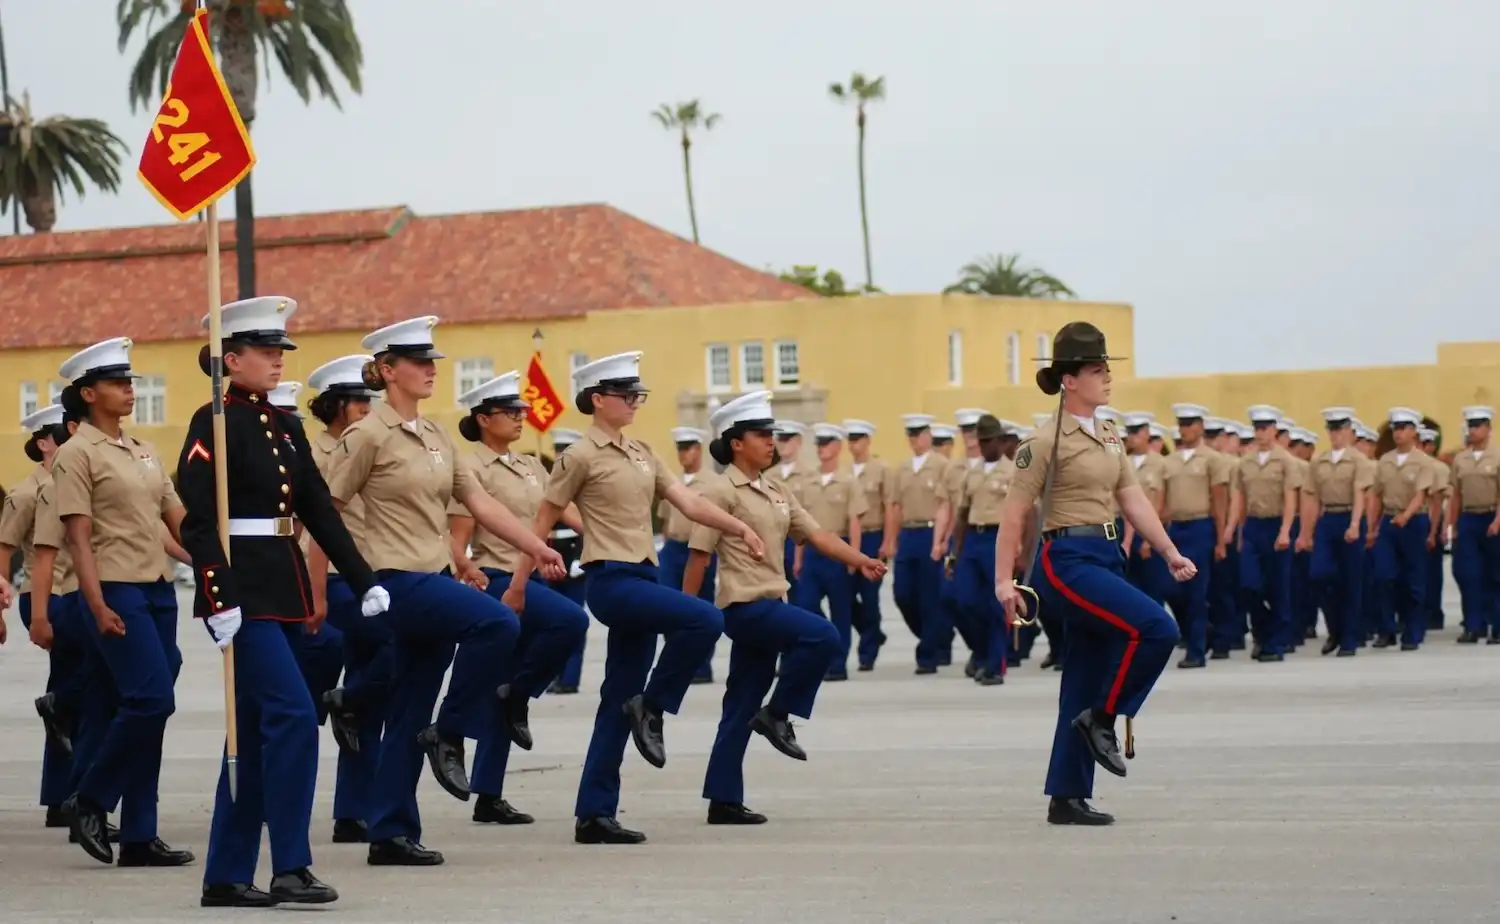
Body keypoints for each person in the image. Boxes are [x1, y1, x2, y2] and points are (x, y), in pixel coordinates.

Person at [322, 316, 565, 866]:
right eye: (418, 362)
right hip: (389, 580)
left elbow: (481, 505)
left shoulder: (434, 436)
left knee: (408, 708)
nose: (431, 370)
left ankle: (390, 832)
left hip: (429, 577)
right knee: (497, 622)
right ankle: (452, 731)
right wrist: (318, 592)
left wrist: (537, 546)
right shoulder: (367, 435)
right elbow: (327, 516)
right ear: (387, 371)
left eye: (432, 361)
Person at [500, 351, 766, 845]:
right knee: (704, 620)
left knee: (616, 700)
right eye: (625, 395)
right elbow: (543, 518)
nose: (634, 402)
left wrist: (740, 527)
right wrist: (519, 582)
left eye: (637, 394)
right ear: (597, 400)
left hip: (645, 577)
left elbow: (688, 502)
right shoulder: (577, 456)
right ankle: (655, 705)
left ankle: (594, 814)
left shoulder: (643, 450)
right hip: (611, 582)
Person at [176, 297, 389, 906]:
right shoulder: (211, 420)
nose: (276, 362)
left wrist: (362, 575)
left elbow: (317, 506)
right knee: (294, 718)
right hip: (241, 592)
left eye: (279, 353)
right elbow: (198, 519)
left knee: (250, 735)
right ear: (231, 359)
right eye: (265, 353)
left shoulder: (283, 422)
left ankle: (225, 874)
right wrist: (216, 593)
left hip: (283, 582)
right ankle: (291, 865)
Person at [994, 322, 1194, 826]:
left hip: (1106, 557)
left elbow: (1132, 498)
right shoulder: (1042, 442)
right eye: (1095, 370)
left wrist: (1169, 551)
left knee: (1082, 677)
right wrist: (1004, 581)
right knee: (1157, 628)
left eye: (1107, 369)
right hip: (1065, 562)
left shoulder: (1108, 435)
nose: (1107, 377)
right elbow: (1015, 514)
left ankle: (1066, 795)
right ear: (1069, 380)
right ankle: (1105, 718)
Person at [683, 391, 884, 824]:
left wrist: (861, 559)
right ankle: (777, 715)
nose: (771, 441)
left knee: (739, 703)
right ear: (736, 442)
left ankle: (723, 799)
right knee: (823, 635)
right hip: (745, 608)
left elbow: (817, 536)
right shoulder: (719, 492)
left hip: (772, 604)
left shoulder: (777, 491)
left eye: (771, 433)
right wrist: (686, 615)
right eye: (761, 434)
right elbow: (699, 556)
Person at [51, 337, 194, 866]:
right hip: (116, 589)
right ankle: (89, 798)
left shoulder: (143, 450)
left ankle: (139, 834)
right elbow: (78, 537)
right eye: (117, 383)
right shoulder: (75, 454)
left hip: (157, 589)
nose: (130, 390)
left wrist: (211, 561)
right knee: (152, 701)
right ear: (88, 394)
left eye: (130, 381)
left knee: (144, 711)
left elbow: (173, 519)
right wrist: (94, 602)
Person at [446, 371, 590, 826]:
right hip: (498, 577)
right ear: (484, 419)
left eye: (522, 411)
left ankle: (489, 794)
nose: (519, 418)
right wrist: (465, 570)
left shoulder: (531, 464)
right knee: (570, 622)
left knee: (504, 689)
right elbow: (458, 538)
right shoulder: (469, 469)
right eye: (510, 412)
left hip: (532, 572)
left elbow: (557, 510)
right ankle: (518, 695)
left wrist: (601, 536)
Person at [301, 354, 392, 845]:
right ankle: (345, 699)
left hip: (369, 576)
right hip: (331, 578)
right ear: (336, 405)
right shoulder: (311, 453)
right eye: (359, 400)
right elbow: (310, 527)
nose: (366, 407)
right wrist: (313, 590)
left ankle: (353, 812)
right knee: (390, 650)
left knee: (369, 700)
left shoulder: (374, 444)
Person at [0, 404, 84, 829]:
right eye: (60, 433)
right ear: (43, 442)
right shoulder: (28, 492)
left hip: (75, 594)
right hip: (45, 597)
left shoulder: (78, 482)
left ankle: (60, 796)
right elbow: (5, 549)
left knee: (67, 694)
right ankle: (70, 796)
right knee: (81, 689)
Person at [791, 423, 867, 679]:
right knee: (805, 605)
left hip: (838, 551)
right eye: (819, 444)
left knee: (841, 610)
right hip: (812, 552)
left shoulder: (848, 481)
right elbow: (800, 522)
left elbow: (855, 522)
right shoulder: (808, 481)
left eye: (826, 444)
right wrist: (799, 557)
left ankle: (837, 664)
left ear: (837, 447)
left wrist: (854, 558)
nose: (821, 449)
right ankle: (822, 647)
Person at [1298, 408, 1375, 656]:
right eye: (1332, 429)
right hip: (1327, 519)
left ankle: (1350, 639)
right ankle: (1335, 629)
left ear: (1350, 432)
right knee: (1319, 575)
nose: (1336, 434)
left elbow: (1360, 494)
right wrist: (1306, 533)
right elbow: (1312, 498)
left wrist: (1354, 524)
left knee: (1351, 581)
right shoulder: (1319, 462)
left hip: (1349, 517)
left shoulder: (1358, 461)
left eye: (1340, 429)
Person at [1230, 405, 1303, 663]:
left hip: (1276, 525)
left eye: (1265, 428)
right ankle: (1261, 633)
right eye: (1257, 428)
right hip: (1252, 526)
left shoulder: (1285, 461)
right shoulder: (1245, 462)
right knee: (1249, 585)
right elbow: (1239, 498)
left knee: (1278, 587)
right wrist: (1236, 531)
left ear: (1274, 430)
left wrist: (1285, 531)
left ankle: (1277, 643)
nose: (1260, 433)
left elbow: (1290, 498)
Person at [946, 414, 1015, 685]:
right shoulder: (972, 473)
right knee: (962, 600)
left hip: (998, 539)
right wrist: (955, 552)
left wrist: (1021, 552)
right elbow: (962, 515)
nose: (986, 446)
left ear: (999, 441)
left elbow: (1025, 516)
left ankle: (995, 666)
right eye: (982, 441)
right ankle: (981, 651)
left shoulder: (1012, 472)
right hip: (973, 539)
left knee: (996, 605)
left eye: (990, 441)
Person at [1161, 404, 1228, 665]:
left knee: (1197, 593)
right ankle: (1202, 632)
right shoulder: (1171, 462)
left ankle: (1196, 651)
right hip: (1176, 529)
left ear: (1200, 427)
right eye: (1182, 424)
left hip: (1201, 526)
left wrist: (1221, 539)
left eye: (1190, 424)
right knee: (1172, 589)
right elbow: (1164, 503)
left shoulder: (1213, 459)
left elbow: (1219, 502)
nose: (1185, 429)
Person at [655, 426, 721, 684]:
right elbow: (665, 521)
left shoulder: (713, 483)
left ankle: (702, 666)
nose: (683, 454)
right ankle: (678, 660)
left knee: (701, 607)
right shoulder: (673, 482)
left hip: (701, 548)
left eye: (688, 448)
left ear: (698, 449)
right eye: (680, 449)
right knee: (668, 606)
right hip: (674, 550)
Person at [885, 413, 950, 674]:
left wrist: (943, 541)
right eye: (910, 435)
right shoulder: (902, 469)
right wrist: (891, 540)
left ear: (928, 436)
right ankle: (931, 636)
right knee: (903, 594)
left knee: (929, 597)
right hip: (909, 535)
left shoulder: (941, 465)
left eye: (918, 434)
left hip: (930, 532)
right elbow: (896, 507)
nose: (914, 440)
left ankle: (928, 654)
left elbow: (948, 504)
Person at [1369, 407, 1435, 650]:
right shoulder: (1385, 461)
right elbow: (1376, 495)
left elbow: (1421, 495)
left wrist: (1406, 516)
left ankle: (1412, 632)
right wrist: (1371, 526)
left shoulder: (1423, 462)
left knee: (1413, 579)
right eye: (1395, 428)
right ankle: (1387, 629)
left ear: (1413, 432)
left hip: (1414, 522)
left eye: (1403, 428)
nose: (1398, 433)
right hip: (1388, 522)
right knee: (1384, 576)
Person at [843, 418, 892, 670]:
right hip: (848, 541)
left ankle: (868, 652)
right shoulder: (844, 472)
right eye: (850, 439)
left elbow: (890, 507)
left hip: (873, 536)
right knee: (847, 596)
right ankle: (872, 632)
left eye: (858, 439)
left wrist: (888, 540)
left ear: (868, 441)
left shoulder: (880, 470)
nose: (854, 445)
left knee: (870, 596)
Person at [1449, 406, 1500, 644]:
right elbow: (1456, 495)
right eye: (1470, 425)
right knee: (1469, 575)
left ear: (1488, 429)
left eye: (1478, 426)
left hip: (1492, 516)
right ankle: (1472, 626)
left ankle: (1497, 626)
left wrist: (1498, 520)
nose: (1473, 430)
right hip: (1468, 518)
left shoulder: (1497, 456)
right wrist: (1453, 525)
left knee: (1495, 575)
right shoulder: (1461, 459)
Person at [544, 427, 589, 693]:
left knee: (574, 619)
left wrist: (581, 559)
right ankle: (556, 673)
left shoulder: (583, 485)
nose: (560, 457)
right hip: (551, 557)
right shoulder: (551, 483)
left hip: (574, 561)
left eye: (565, 452)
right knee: (554, 622)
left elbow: (589, 524)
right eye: (557, 451)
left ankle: (570, 678)